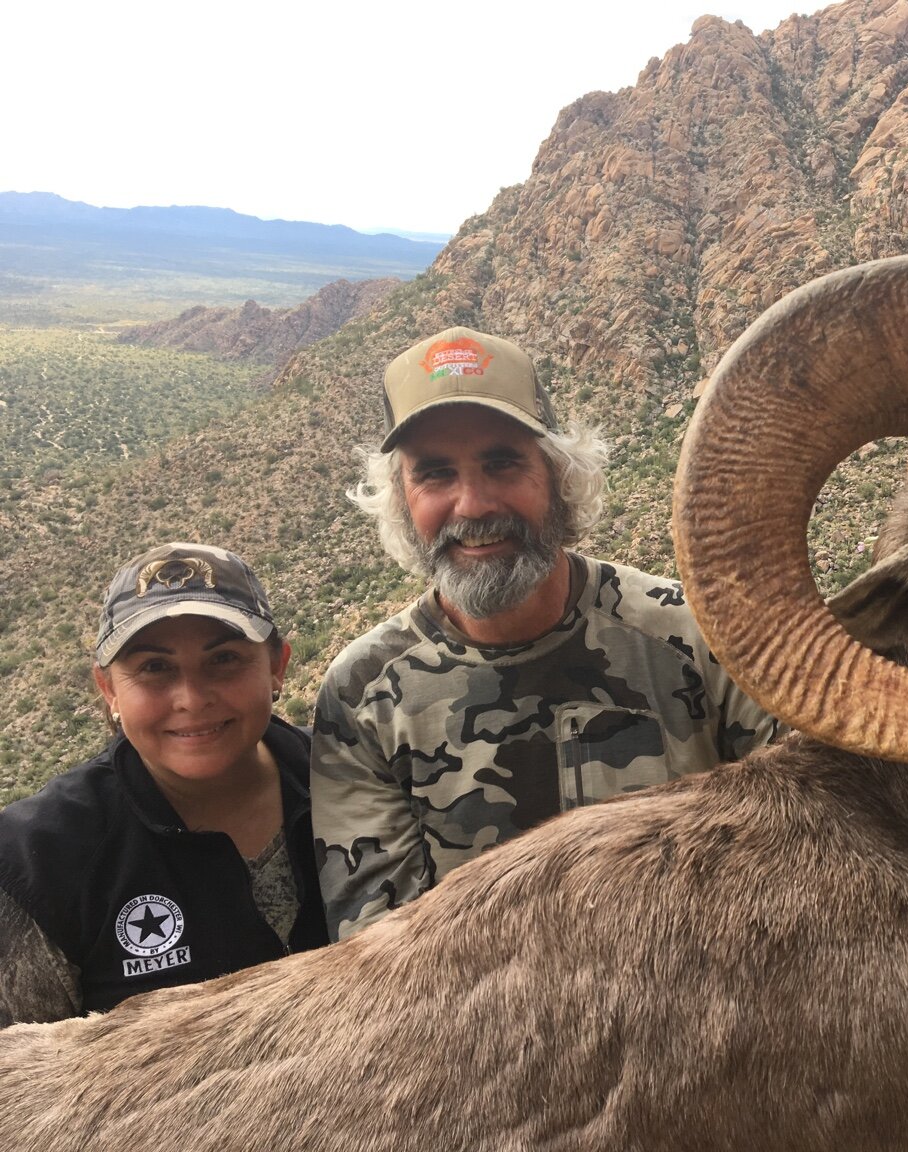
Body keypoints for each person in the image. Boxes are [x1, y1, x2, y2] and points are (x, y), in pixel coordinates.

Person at [311, 326, 777, 939]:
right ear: (400, 497)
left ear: (559, 475)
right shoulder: (364, 694)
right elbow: (377, 951)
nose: (472, 504)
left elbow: (801, 850)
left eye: (502, 463)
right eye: (435, 473)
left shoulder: (699, 635)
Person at [0, 543, 328, 1024]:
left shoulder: (358, 775)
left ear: (277, 667)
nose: (191, 700)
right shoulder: (37, 859)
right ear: (108, 688)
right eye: (154, 667)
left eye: (225, 659)